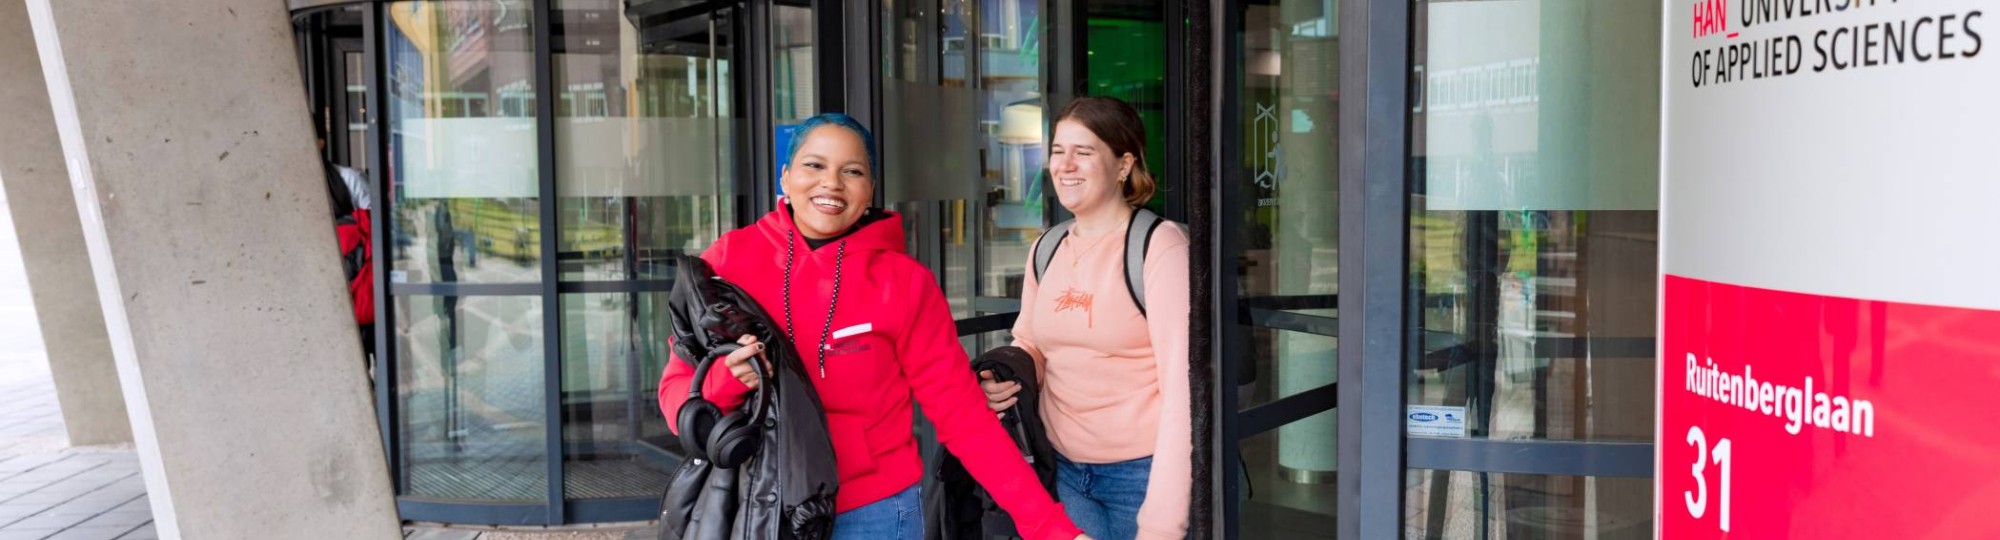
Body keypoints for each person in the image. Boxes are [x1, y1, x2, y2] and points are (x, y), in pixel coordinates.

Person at [657, 113, 1091, 540]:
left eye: (853, 171)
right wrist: (726, 382)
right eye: (814, 165)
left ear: (870, 190)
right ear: (785, 178)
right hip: (755, 506)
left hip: (874, 513)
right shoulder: (728, 261)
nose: (832, 183)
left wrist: (1048, 527)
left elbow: (964, 418)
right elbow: (677, 395)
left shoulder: (904, 283)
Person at [982, 96, 1191, 540]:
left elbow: (1184, 389)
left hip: (1141, 476)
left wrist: (1162, 522)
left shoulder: (1159, 246)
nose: (1065, 164)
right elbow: (1032, 344)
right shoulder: (1047, 247)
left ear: (1123, 165)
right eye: (1058, 150)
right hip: (1064, 469)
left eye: (1084, 151)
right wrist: (1004, 375)